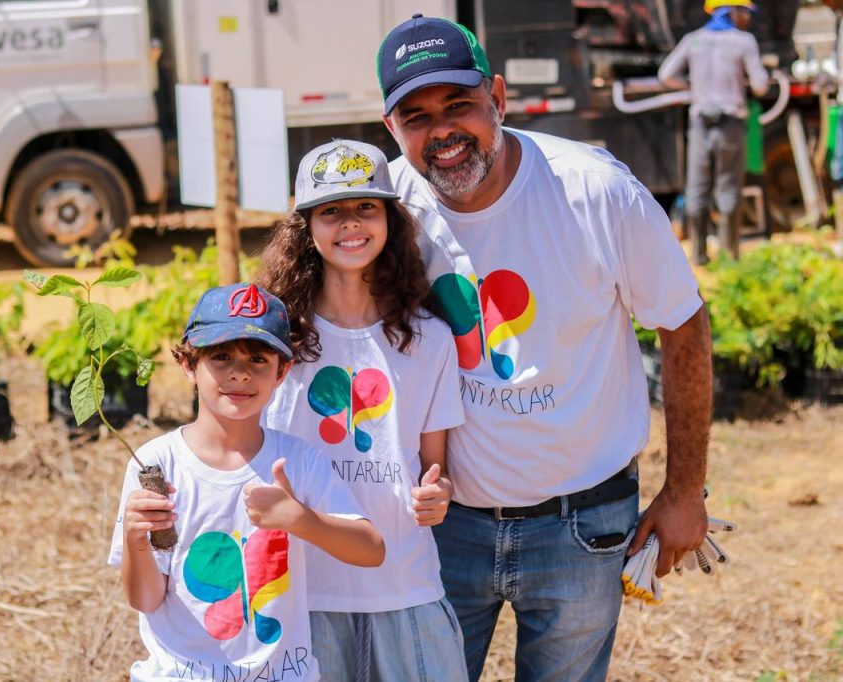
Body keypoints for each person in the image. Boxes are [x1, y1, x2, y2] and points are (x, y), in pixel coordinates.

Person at [376, 14, 714, 681]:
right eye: (415, 117)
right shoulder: (388, 209)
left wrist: (685, 491)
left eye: (459, 105)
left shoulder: (595, 193)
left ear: (497, 97)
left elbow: (683, 326)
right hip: (443, 530)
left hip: (582, 524)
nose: (441, 132)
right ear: (390, 128)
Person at [259, 139, 468, 681]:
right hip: (303, 591)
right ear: (306, 227)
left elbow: (432, 469)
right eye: (331, 211)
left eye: (366, 207)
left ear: (390, 220)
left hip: (405, 585)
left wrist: (437, 496)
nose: (350, 224)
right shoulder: (277, 343)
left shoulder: (431, 341)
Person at [107, 283, 385, 681]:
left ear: (282, 372)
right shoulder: (157, 464)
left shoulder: (299, 462)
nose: (240, 372)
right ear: (188, 364)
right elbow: (146, 599)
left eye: (257, 359)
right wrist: (136, 540)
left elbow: (371, 550)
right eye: (220, 357)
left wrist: (301, 520)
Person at [659, 0, 769, 264]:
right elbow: (761, 86)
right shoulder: (744, 42)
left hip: (700, 123)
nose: (747, 18)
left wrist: (693, 87)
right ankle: (730, 257)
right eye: (745, 13)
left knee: (696, 190)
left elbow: (665, 75)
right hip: (730, 123)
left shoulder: (693, 40)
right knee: (729, 190)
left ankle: (698, 257)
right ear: (732, 12)